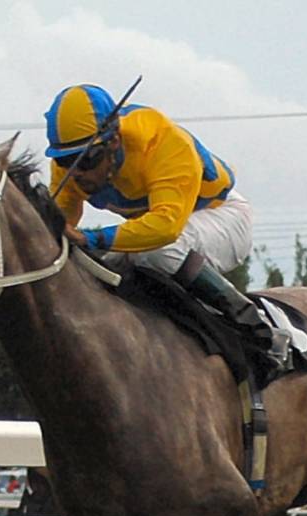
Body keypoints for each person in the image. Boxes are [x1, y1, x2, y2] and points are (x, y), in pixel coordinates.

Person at [43, 83, 282, 368]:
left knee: (156, 251)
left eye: (88, 159)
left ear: (114, 142)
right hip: (161, 232)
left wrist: (92, 238)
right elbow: (58, 232)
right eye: (66, 160)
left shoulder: (162, 142)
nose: (78, 171)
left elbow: (165, 228)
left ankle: (259, 328)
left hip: (224, 217)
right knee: (96, 271)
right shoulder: (69, 169)